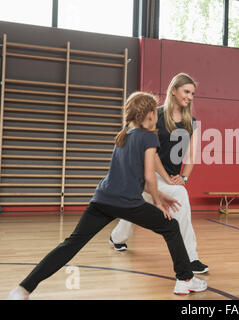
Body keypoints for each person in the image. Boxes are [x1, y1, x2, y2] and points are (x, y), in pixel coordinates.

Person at [8, 92, 207, 299]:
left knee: (70, 244)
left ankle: (23, 289)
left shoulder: (124, 133)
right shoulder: (148, 137)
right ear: (149, 115)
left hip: (102, 200)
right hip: (128, 203)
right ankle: (185, 279)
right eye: (155, 112)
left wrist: (160, 196)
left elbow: (132, 176)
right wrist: (158, 202)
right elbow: (149, 175)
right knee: (171, 226)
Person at [110, 73, 208, 274]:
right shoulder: (156, 115)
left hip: (168, 179)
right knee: (136, 208)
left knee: (145, 205)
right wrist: (167, 178)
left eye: (192, 93)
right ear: (174, 90)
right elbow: (151, 153)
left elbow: (191, 156)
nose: (189, 97)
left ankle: (191, 257)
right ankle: (117, 237)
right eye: (186, 91)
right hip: (145, 173)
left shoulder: (192, 122)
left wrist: (184, 178)